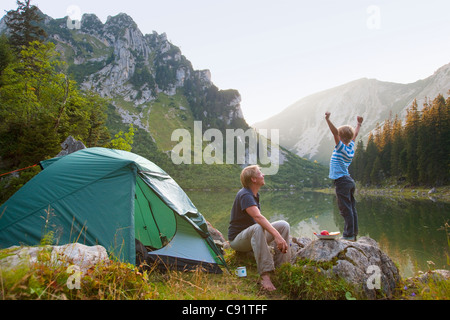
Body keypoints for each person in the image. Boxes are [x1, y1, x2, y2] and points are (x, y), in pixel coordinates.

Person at [228, 165, 290, 292]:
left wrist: (278, 233)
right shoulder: (245, 194)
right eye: (260, 173)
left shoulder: (254, 194)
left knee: (283, 225)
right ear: (253, 179)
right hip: (238, 240)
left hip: (251, 236)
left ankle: (282, 267)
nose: (263, 175)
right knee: (257, 227)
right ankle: (265, 275)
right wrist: (277, 236)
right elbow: (258, 217)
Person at [325, 112, 363, 241]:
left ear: (340, 137)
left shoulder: (340, 147)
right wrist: (359, 124)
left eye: (338, 136)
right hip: (348, 181)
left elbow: (335, 133)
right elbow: (355, 134)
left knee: (345, 209)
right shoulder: (351, 147)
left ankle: (348, 235)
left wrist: (328, 120)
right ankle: (353, 234)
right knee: (351, 208)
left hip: (342, 181)